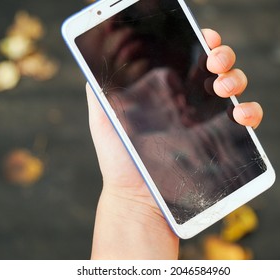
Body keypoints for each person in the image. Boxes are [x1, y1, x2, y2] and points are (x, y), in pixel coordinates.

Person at [85, 27, 263, 260]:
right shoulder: (134, 125)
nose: (112, 26)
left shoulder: (166, 85)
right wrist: (134, 202)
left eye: (121, 19)